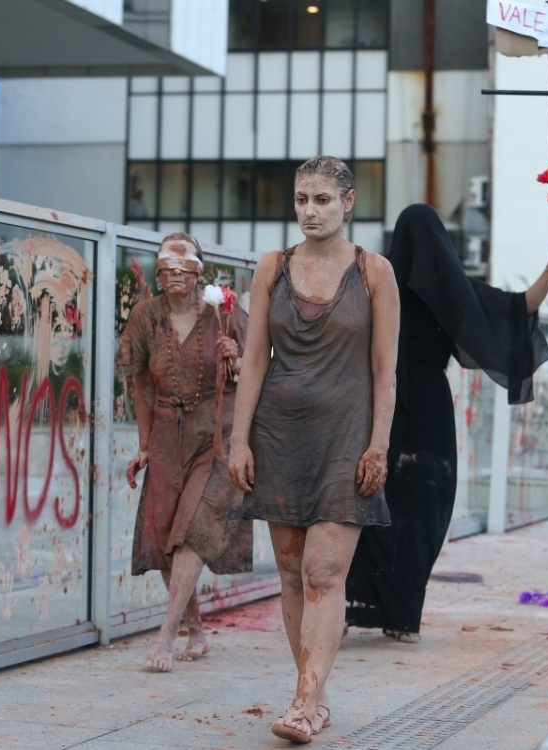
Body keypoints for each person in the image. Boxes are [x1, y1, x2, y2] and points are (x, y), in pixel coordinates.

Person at [228, 156, 400, 743]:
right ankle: (315, 695)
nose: (310, 211)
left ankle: (303, 702)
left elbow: (385, 371)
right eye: (302, 199)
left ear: (348, 202)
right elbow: (253, 360)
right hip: (278, 433)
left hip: (345, 436)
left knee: (325, 570)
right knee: (292, 571)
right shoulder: (272, 267)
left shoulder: (374, 272)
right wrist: (237, 438)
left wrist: (378, 443)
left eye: (323, 199)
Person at [344, 203, 548, 643]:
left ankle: (402, 611)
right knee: (378, 505)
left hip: (410, 412)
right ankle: (368, 608)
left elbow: (516, 308)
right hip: (390, 411)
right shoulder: (375, 286)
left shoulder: (449, 291)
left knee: (422, 512)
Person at [118, 232, 252, 673]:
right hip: (165, 433)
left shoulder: (225, 314)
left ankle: (165, 635)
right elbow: (138, 381)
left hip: (216, 432)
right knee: (164, 536)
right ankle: (196, 630)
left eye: (182, 266)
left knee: (193, 526)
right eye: (165, 267)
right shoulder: (144, 316)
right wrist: (142, 444)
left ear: (199, 271)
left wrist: (236, 357)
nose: (173, 274)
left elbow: (258, 371)